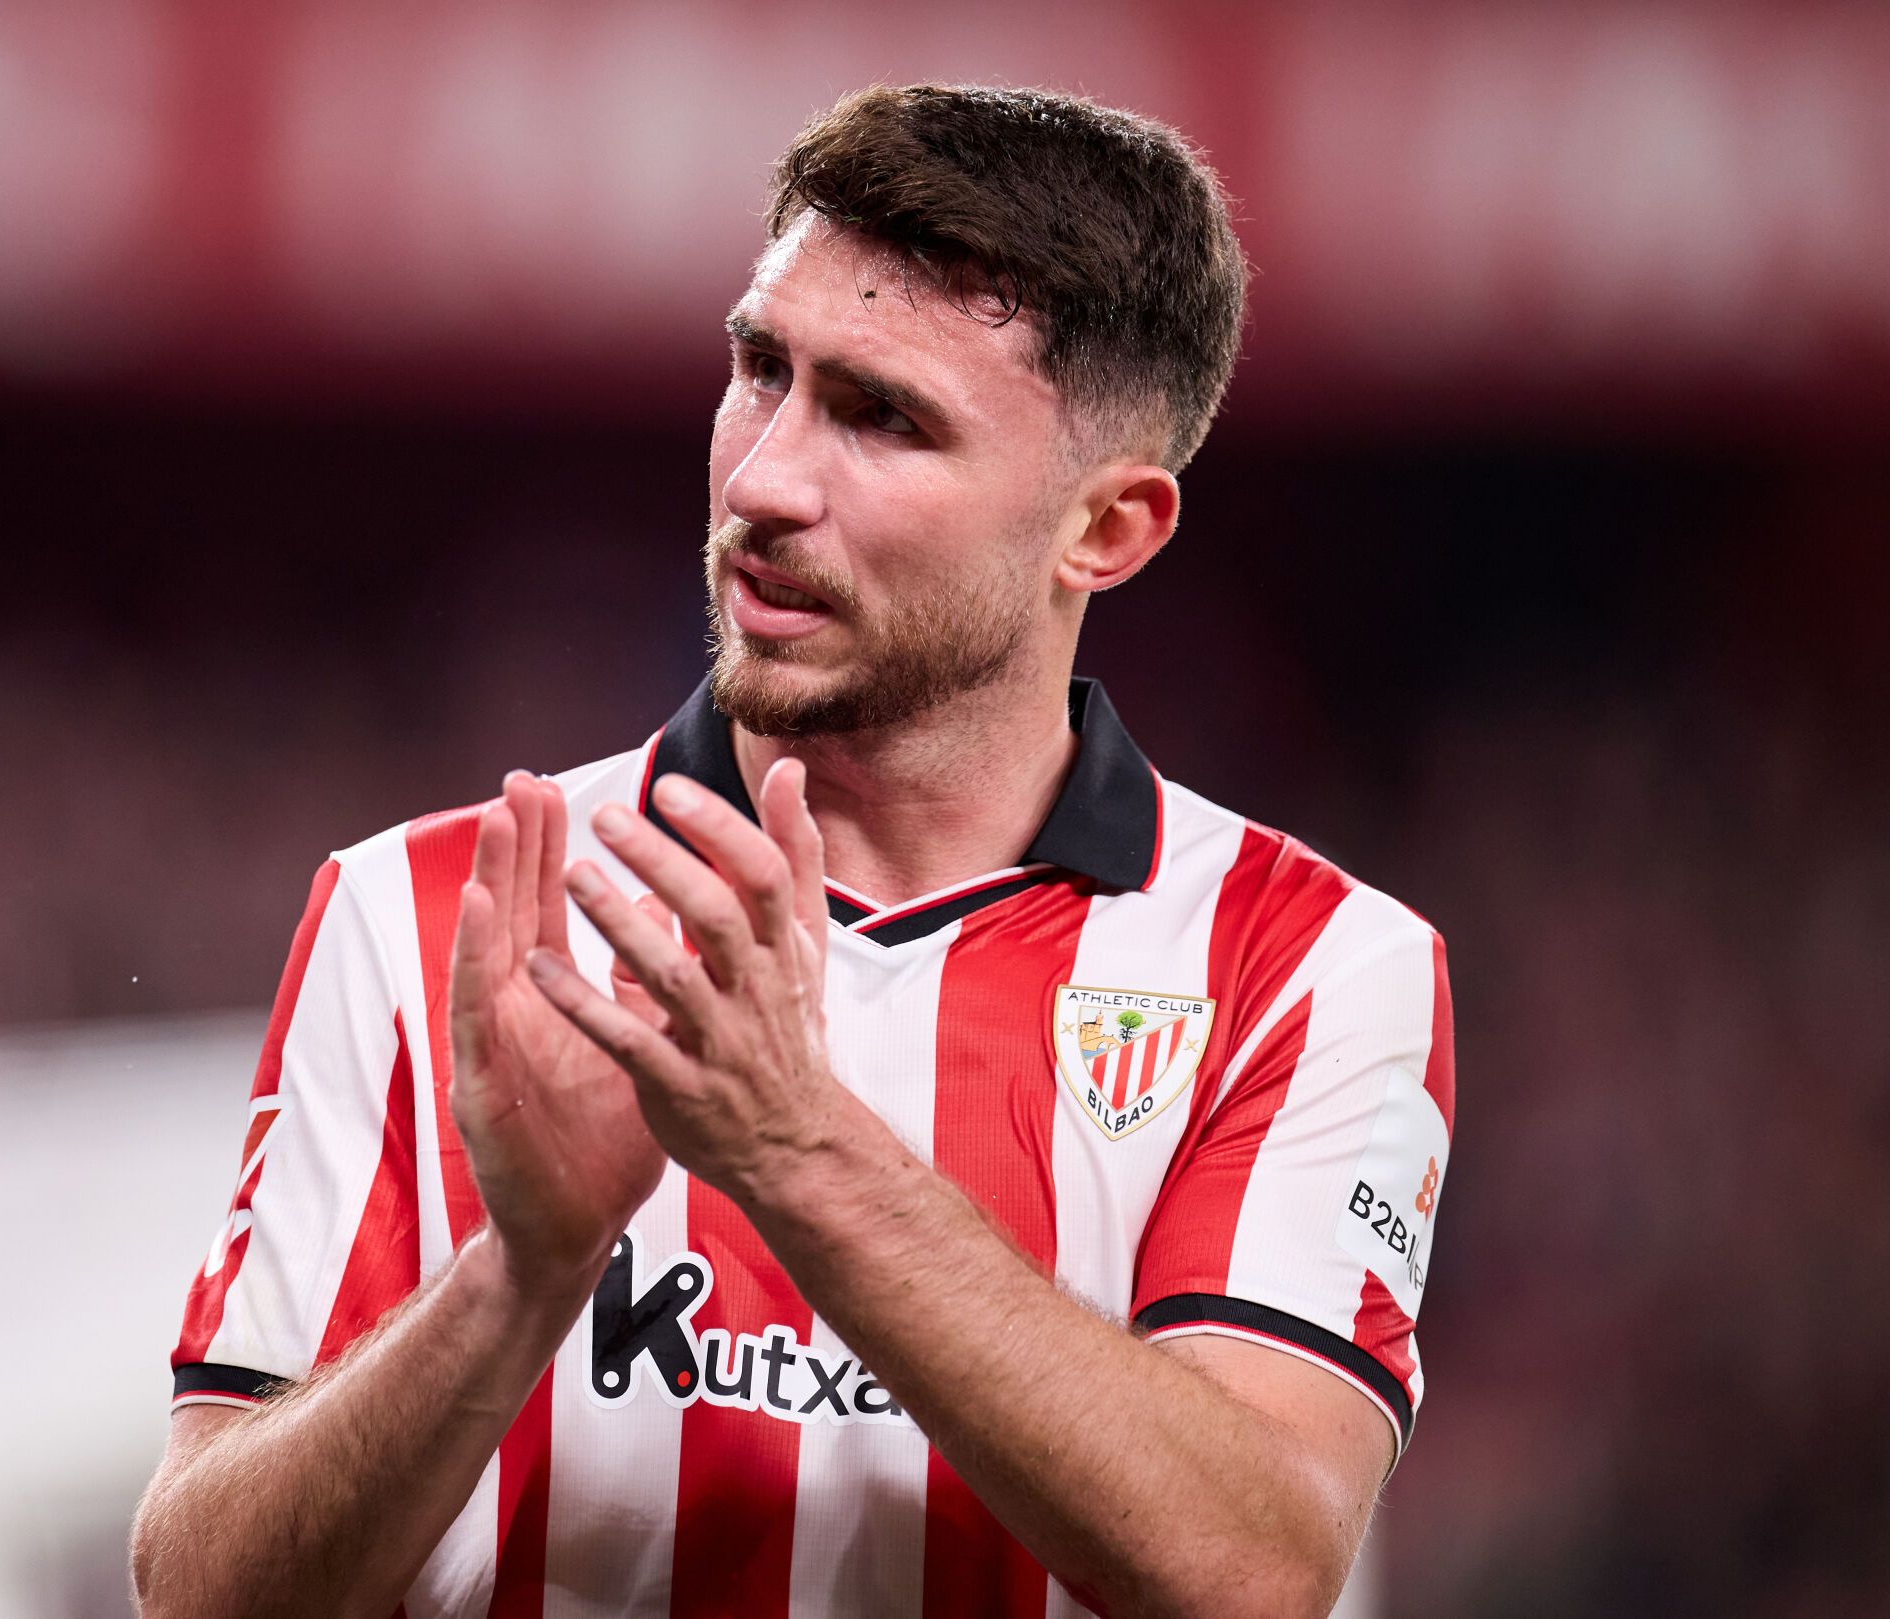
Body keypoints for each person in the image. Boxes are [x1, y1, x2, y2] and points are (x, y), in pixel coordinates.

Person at [131, 83, 1454, 1619]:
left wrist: (791, 1142)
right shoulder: (427, 914)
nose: (763, 482)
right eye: (761, 371)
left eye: (883, 416)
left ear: (1109, 532)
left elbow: (1254, 1569)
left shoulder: (1306, 967)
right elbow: (200, 1598)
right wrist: (516, 1280)